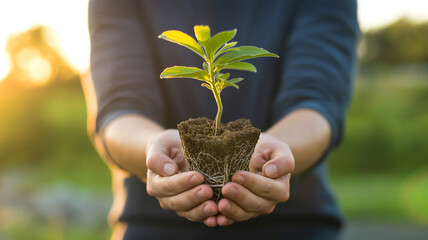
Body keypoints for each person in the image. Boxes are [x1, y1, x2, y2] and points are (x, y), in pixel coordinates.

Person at [86, 0, 359, 239]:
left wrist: (274, 155)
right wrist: (154, 151)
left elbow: (316, 100)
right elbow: (119, 108)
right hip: (154, 227)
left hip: (295, 227)